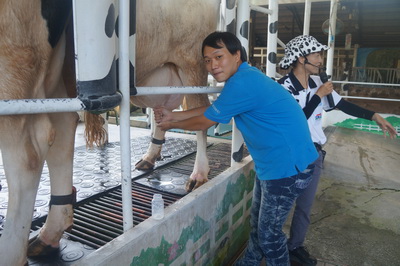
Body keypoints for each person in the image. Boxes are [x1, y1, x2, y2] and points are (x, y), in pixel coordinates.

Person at [154, 31, 318, 265]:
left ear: (237, 55)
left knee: (270, 237)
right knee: (258, 227)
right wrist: (174, 116)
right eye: (208, 60)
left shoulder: (243, 82)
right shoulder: (244, 77)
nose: (213, 65)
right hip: (276, 165)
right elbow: (214, 110)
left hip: (287, 168)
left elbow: (206, 121)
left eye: (219, 57)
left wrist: (171, 122)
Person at [278, 35, 397, 265]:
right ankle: (274, 247)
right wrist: (319, 96)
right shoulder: (283, 88)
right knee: (281, 207)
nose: (321, 59)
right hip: (290, 156)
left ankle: (294, 247)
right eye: (317, 55)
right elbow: (295, 122)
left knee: (304, 207)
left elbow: (343, 105)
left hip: (314, 155)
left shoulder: (316, 84)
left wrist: (374, 116)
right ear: (302, 59)